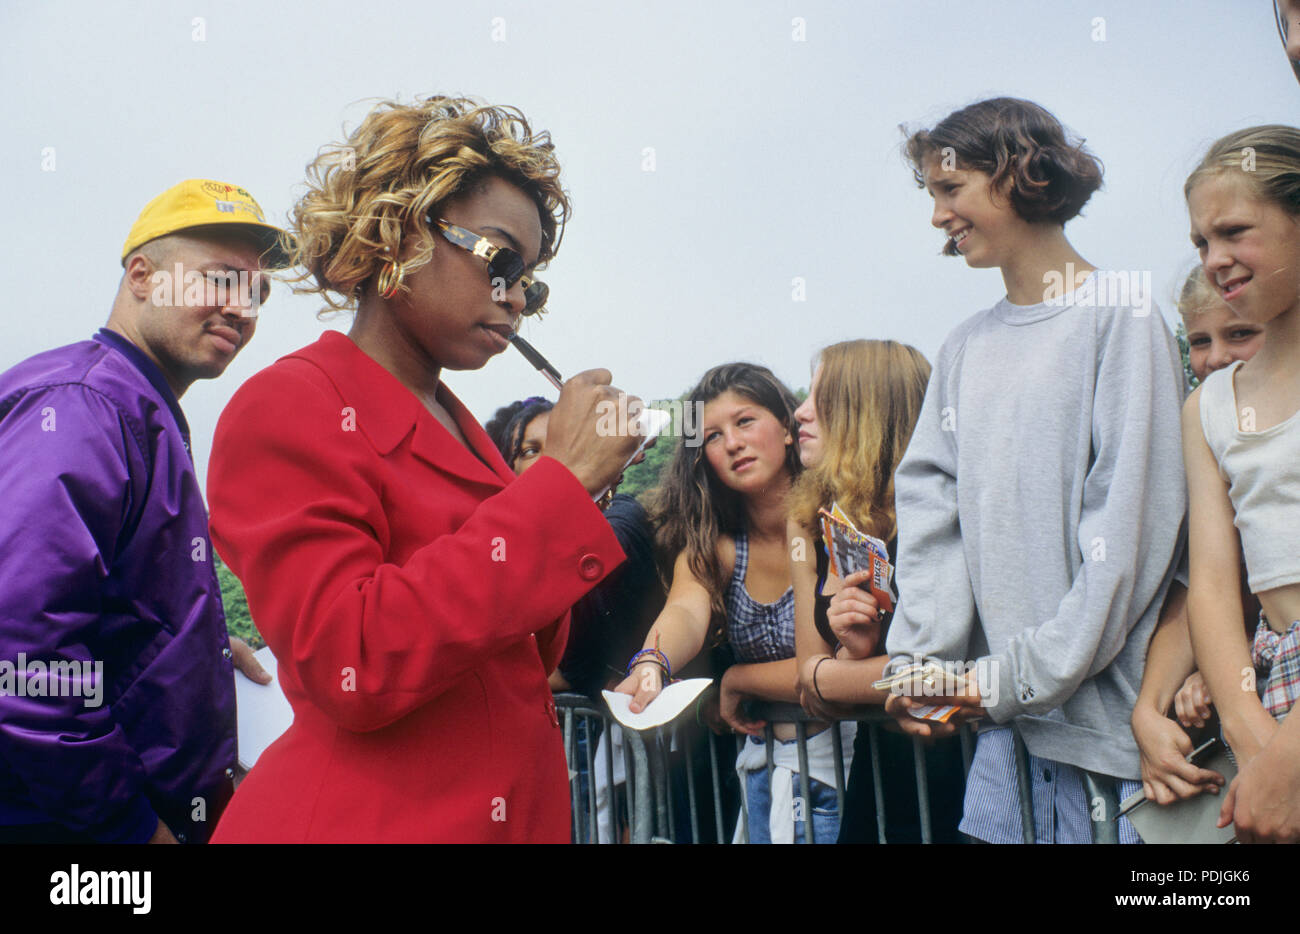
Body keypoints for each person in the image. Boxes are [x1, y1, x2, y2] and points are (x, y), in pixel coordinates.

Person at [205, 96, 644, 843]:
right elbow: (352, 659)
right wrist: (560, 486)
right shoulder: (288, 403)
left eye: (529, 282)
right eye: (500, 259)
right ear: (400, 231)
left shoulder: (464, 429)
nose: (515, 299)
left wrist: (567, 490)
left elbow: (510, 655)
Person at [882, 98, 1186, 844]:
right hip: (1004, 742)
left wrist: (1012, 680)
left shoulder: (1123, 317)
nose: (936, 217)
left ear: (1019, 172)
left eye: (949, 190)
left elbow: (1128, 536)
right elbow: (931, 518)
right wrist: (918, 666)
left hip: (1112, 752)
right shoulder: (961, 348)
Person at [0, 178, 284, 843]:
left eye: (258, 293)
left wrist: (197, 654)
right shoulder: (87, 404)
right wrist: (130, 828)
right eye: (219, 280)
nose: (241, 309)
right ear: (142, 276)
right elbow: (20, 650)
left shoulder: (136, 405)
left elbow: (102, 613)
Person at [614, 362, 850, 844]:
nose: (733, 443)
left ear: (787, 426)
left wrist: (740, 679)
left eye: (745, 422)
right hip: (764, 775)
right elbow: (685, 608)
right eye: (714, 436)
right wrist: (652, 662)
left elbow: (839, 668)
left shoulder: (839, 523)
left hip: (854, 772)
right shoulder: (720, 546)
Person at [785, 339, 966, 843]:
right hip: (883, 777)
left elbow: (949, 674)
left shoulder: (949, 511)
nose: (800, 412)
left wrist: (832, 678)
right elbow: (811, 678)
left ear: (870, 412)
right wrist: (854, 652)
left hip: (971, 779)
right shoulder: (815, 517)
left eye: (823, 398)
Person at [1183, 124, 1300, 844]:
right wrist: (1249, 728)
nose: (1215, 261)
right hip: (1273, 675)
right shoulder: (1210, 406)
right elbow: (1213, 585)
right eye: (1201, 243)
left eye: (1234, 231)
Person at [489, 395, 663, 843]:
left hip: (605, 749)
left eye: (563, 442)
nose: (553, 460)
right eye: (530, 450)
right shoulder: (493, 545)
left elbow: (578, 658)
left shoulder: (621, 520)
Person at [1130, 268, 1264, 807]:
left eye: (1239, 334)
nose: (1213, 358)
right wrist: (1148, 707)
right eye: (1200, 341)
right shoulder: (1207, 422)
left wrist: (1229, 675)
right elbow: (1206, 582)